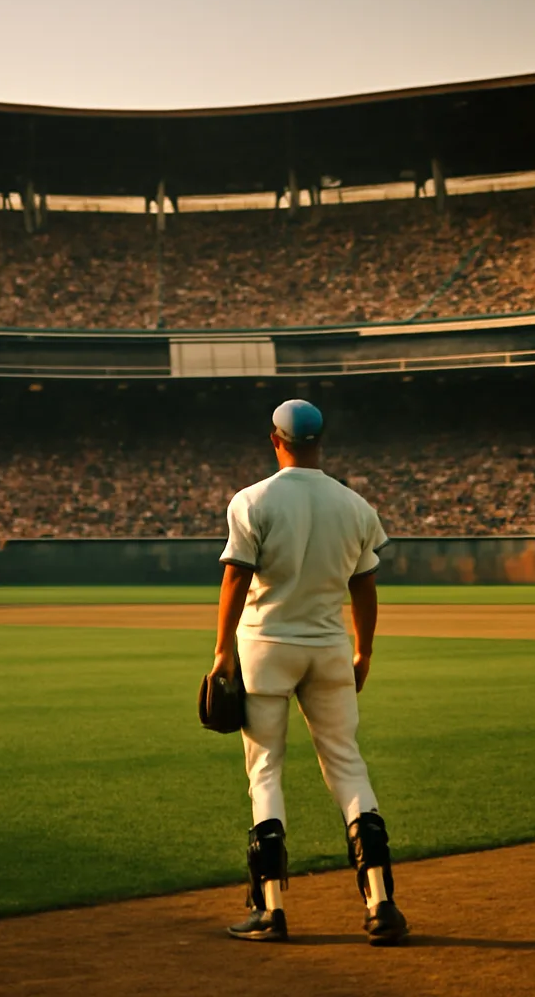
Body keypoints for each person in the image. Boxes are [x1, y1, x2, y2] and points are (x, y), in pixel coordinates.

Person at [211, 399, 408, 946]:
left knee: (266, 770)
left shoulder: (253, 500)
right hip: (327, 647)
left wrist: (222, 651)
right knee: (348, 766)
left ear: (274, 440)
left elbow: (236, 580)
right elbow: (364, 587)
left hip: (265, 647)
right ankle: (381, 903)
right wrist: (363, 651)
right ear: (322, 441)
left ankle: (269, 908)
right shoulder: (355, 504)